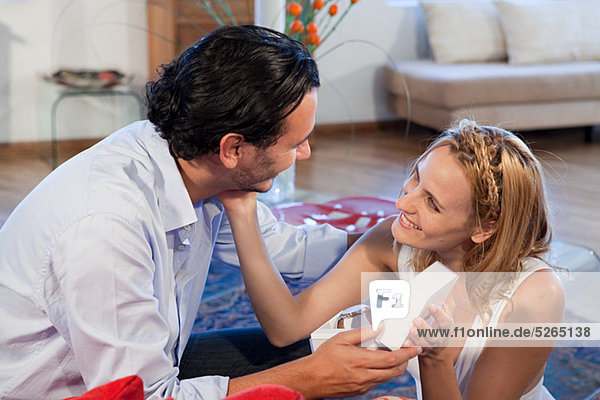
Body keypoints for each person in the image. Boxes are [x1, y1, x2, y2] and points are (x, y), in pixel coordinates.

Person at [0, 25, 419, 400]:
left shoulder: (191, 158)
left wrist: (390, 240)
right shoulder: (105, 229)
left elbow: (281, 250)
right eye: (295, 144)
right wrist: (308, 379)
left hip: (152, 367)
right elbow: (146, 397)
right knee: (316, 365)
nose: (305, 153)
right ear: (233, 148)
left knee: (324, 348)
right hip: (87, 393)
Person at [218, 119, 566, 399]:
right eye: (416, 176)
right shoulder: (396, 242)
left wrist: (436, 362)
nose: (402, 203)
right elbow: (286, 327)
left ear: (483, 228)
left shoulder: (534, 294)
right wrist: (241, 211)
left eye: (431, 202)